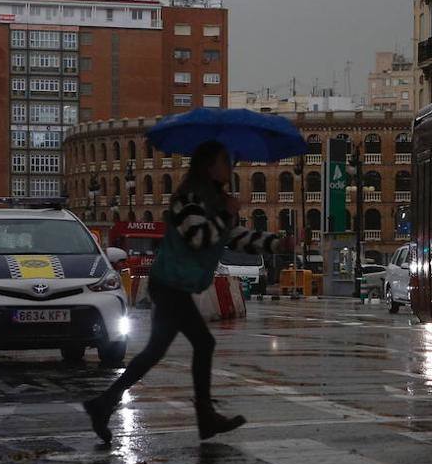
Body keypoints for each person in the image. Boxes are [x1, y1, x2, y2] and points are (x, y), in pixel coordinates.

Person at [83, 141, 284, 443]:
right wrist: (225, 214)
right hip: (169, 285)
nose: (230, 167)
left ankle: (104, 404)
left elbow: (232, 237)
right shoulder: (188, 198)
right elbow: (198, 236)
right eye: (224, 161)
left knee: (161, 351)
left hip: (176, 285)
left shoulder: (212, 199)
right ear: (208, 166)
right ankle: (202, 417)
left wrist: (276, 243)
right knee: (201, 344)